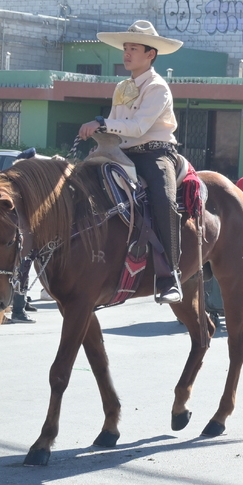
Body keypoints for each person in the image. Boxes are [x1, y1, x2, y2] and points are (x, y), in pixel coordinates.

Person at [76, 21, 186, 303]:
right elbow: (117, 127)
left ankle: (170, 276)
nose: (126, 53)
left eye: (133, 48)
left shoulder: (158, 87)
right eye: (125, 48)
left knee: (164, 200)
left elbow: (137, 127)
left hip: (155, 154)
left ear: (150, 54)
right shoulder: (122, 86)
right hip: (121, 151)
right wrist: (100, 136)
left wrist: (101, 122)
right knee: (76, 184)